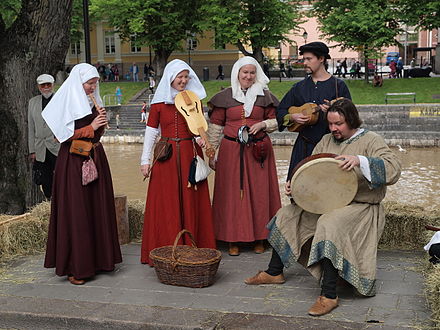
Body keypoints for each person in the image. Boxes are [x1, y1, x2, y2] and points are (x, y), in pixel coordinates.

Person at [245, 98, 401, 317]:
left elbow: (393, 169)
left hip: (360, 206)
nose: (333, 129)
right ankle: (274, 272)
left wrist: (359, 160)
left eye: (339, 124)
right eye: (330, 124)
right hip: (328, 203)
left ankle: (329, 295)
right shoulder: (326, 141)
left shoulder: (371, 140)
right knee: (287, 214)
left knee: (329, 223)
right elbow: (311, 174)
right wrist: (296, 188)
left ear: (352, 120)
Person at [42, 63, 122, 285]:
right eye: (89, 83)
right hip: (74, 162)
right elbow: (62, 137)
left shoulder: (93, 102)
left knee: (96, 208)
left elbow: (97, 135)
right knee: (77, 211)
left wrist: (101, 125)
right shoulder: (66, 102)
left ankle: (100, 261)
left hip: (96, 157)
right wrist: (93, 126)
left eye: (95, 83)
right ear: (78, 83)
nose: (93, 87)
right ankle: (76, 266)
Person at [140, 59, 216, 265]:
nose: (183, 81)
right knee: (166, 202)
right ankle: (165, 247)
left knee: (191, 200)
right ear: (170, 78)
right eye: (179, 77)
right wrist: (145, 160)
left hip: (189, 154)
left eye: (185, 77)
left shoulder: (194, 101)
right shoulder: (158, 105)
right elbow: (150, 132)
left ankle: (192, 246)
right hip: (166, 156)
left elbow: (198, 128)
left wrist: (204, 143)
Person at [207, 56, 281, 256]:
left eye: (251, 72)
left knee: (259, 194)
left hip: (258, 152)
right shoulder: (225, 96)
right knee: (231, 196)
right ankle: (232, 239)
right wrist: (211, 153)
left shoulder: (265, 96)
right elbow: (215, 127)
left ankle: (260, 237)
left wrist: (263, 124)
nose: (248, 76)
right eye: (244, 72)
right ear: (237, 74)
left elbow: (277, 121)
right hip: (231, 152)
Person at [276, 41, 351, 182]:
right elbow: (280, 111)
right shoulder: (299, 87)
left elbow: (350, 116)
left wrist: (332, 112)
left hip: (331, 146)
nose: (305, 62)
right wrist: (292, 117)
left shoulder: (338, 86)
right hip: (303, 147)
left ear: (321, 59)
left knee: (328, 187)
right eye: (304, 59)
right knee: (299, 186)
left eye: (309, 59)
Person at [28, 74, 60, 199]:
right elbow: (31, 127)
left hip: (57, 147)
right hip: (40, 148)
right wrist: (32, 150)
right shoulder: (32, 102)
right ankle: (49, 202)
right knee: (45, 180)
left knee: (60, 177)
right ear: (38, 87)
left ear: (53, 85)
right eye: (43, 85)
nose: (46, 87)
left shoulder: (60, 99)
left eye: (49, 85)